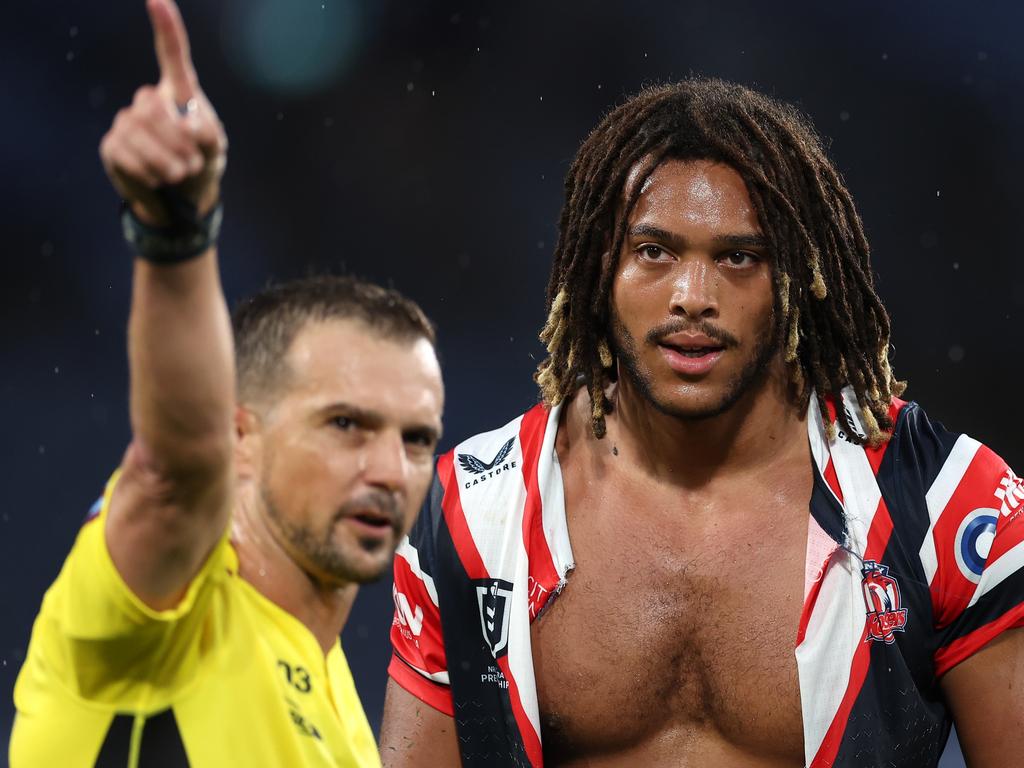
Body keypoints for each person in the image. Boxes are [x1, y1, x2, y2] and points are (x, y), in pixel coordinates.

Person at [378, 78, 1024, 767]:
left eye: (738, 257)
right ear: (602, 270)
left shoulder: (947, 504)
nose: (693, 298)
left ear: (797, 280)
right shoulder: (474, 516)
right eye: (654, 251)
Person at [9, 1, 443, 766]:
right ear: (239, 438)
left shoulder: (349, 716)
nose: (390, 472)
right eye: (346, 425)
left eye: (415, 439)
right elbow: (176, 470)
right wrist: (175, 233)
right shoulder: (168, 607)